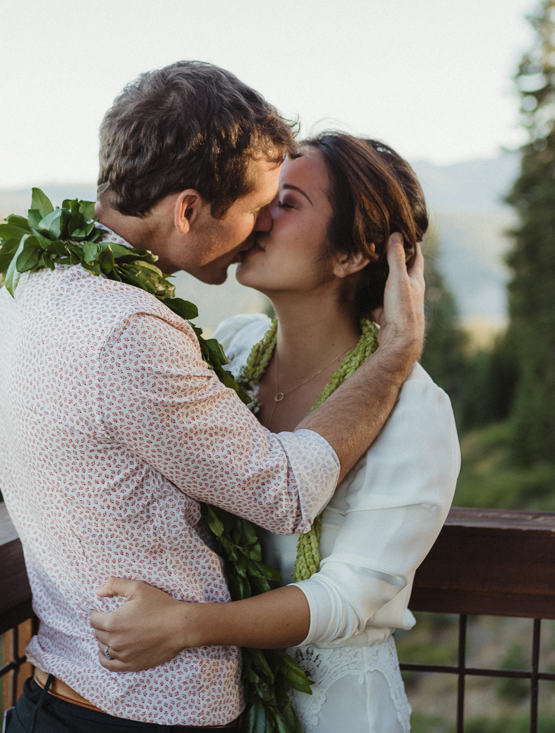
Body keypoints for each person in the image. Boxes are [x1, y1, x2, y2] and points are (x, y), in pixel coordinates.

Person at [0, 63, 428, 732]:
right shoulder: (128, 329)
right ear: (188, 210)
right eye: (254, 207)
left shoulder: (30, 285)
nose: (260, 227)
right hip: (137, 713)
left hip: (68, 694)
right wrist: (393, 359)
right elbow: (285, 492)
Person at [89, 133, 460, 733]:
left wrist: (183, 625)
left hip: (336, 713)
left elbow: (347, 599)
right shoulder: (232, 352)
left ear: (351, 256)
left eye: (286, 202)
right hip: (224, 702)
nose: (257, 215)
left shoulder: (415, 411)